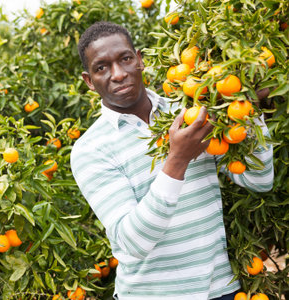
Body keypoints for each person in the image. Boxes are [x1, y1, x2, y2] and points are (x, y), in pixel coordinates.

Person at [70, 21, 274, 300]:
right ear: (89, 81)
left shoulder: (193, 112)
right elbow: (133, 243)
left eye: (125, 59)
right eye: (102, 67)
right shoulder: (90, 149)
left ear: (140, 60)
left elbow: (260, 180)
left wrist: (248, 111)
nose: (118, 74)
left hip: (221, 290)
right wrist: (177, 160)